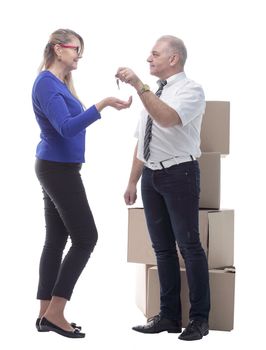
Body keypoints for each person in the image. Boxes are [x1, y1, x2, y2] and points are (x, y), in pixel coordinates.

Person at [32, 28, 132, 339]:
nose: (78, 55)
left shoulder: (58, 83)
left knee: (56, 241)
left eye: (80, 50)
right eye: (75, 48)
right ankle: (56, 311)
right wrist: (102, 104)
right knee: (87, 237)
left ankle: (44, 314)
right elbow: (66, 128)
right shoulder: (47, 84)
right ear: (57, 49)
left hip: (57, 167)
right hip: (58, 170)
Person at [116, 35, 210, 341]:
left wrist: (139, 85)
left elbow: (167, 119)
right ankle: (169, 316)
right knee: (162, 250)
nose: (148, 59)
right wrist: (132, 180)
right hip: (152, 178)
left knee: (189, 247)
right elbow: (142, 142)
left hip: (180, 174)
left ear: (174, 59)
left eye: (155, 54)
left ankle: (198, 319)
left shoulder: (191, 90)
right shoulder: (154, 93)